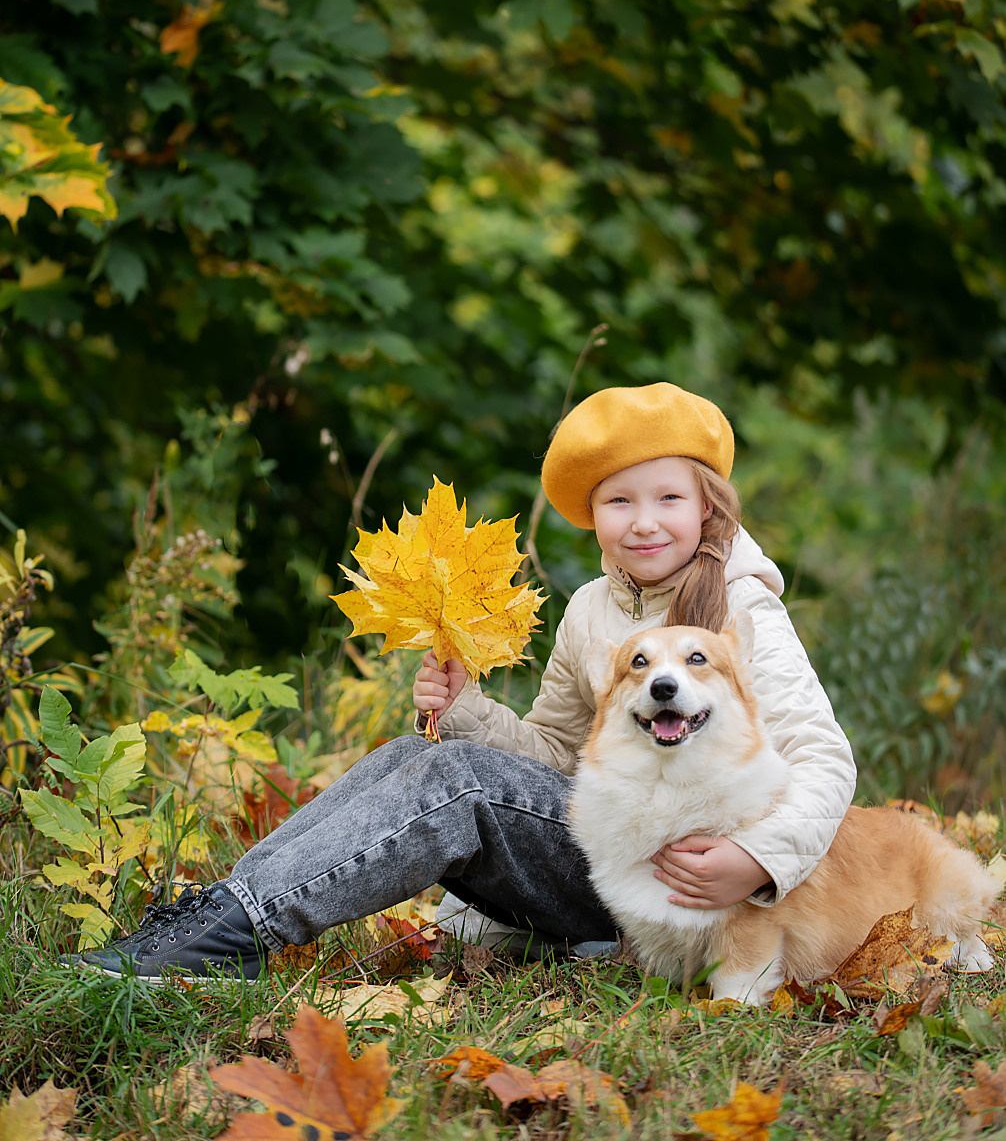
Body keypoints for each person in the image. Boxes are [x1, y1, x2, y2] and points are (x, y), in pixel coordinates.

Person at [74, 382, 856, 980]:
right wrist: (470, 710)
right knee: (410, 757)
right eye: (620, 501)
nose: (644, 521)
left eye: (668, 498)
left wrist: (756, 863)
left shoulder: (744, 608)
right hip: (607, 847)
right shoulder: (591, 610)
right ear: (594, 515)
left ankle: (239, 931)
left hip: (678, 876)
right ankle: (222, 915)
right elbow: (554, 750)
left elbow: (824, 758)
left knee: (453, 779)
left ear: (708, 508)